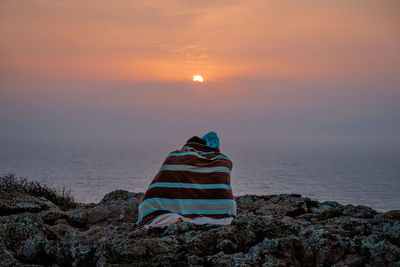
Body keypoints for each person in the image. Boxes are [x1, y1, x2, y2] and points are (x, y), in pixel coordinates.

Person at [136, 131, 236, 229]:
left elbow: (157, 190)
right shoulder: (224, 161)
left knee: (154, 211)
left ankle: (180, 218)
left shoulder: (174, 156)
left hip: (181, 212)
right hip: (224, 214)